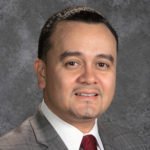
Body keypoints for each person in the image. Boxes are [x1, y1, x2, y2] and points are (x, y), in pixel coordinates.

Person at [0, 6, 147, 150]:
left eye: (102, 64)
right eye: (73, 63)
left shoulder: (133, 143)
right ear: (42, 72)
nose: (89, 78)